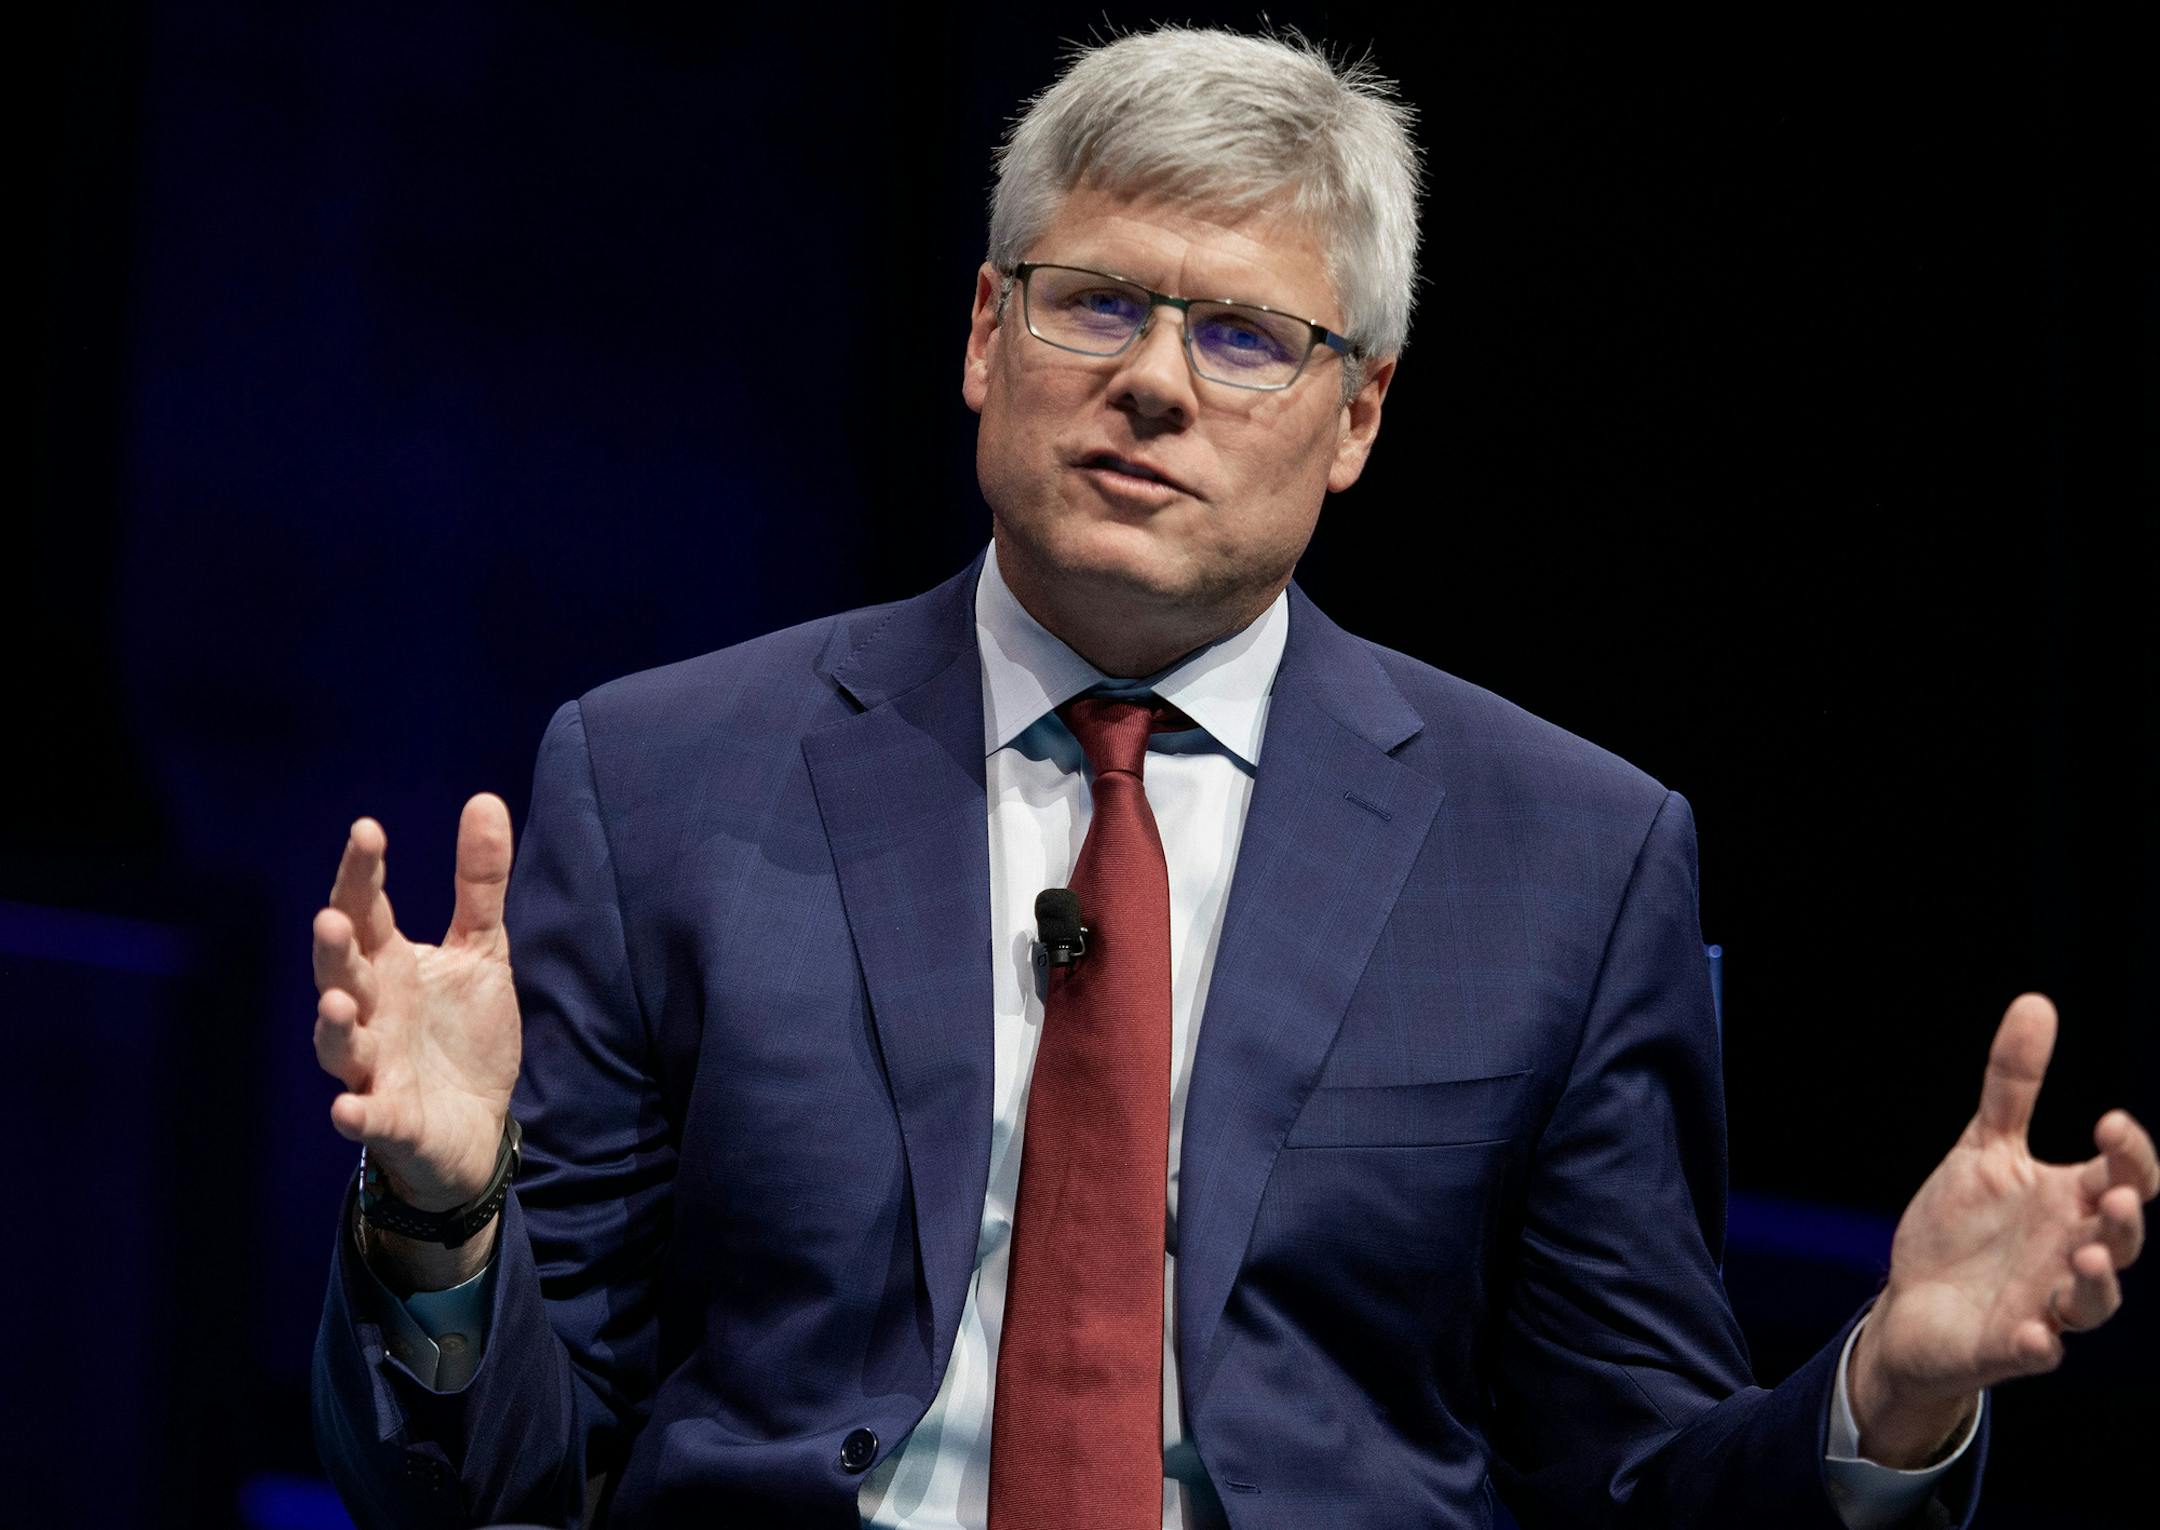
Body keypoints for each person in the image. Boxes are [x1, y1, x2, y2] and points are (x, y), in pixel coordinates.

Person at [308, 27, 2155, 1530]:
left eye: (1249, 336)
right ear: (979, 336)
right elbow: (496, 1482)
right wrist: (443, 1215)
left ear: (1357, 420)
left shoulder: (1568, 860)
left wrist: (1886, 1390)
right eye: (1094, 304)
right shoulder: (665, 781)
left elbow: (1635, 1489)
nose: (1156, 386)